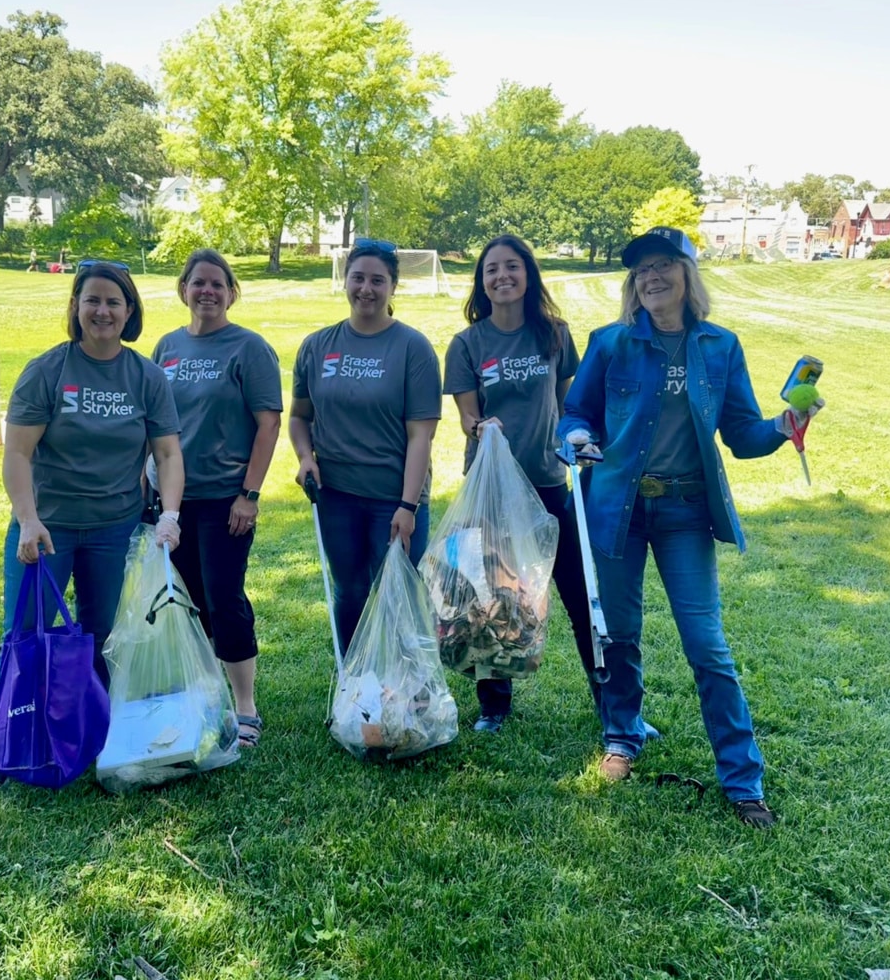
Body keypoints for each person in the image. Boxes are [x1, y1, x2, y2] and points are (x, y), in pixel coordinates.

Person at [558, 226, 824, 828]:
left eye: (664, 266)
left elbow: (742, 435)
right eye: (642, 269)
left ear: (687, 274)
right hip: (616, 508)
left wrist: (784, 426)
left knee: (707, 647)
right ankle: (622, 737)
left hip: (685, 513)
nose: (652, 277)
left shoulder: (719, 347)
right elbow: (575, 412)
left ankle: (742, 779)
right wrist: (575, 438)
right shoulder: (610, 343)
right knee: (619, 633)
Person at [0, 259, 184, 790]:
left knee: (102, 635)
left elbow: (168, 452)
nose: (103, 310)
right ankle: (5, 745)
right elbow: (18, 454)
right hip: (47, 530)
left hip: (114, 529)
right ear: (75, 307)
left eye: (114, 301)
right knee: (25, 634)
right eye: (92, 300)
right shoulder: (48, 371)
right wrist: (27, 520)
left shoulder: (145, 376)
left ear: (129, 310)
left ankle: (94, 735)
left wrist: (171, 515)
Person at [443, 234, 595, 734]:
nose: (502, 276)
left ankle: (610, 700)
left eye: (512, 267)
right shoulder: (468, 344)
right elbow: (467, 413)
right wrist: (479, 426)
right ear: (481, 281)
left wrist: (579, 437)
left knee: (581, 595)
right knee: (491, 601)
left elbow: (569, 404)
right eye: (492, 270)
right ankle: (494, 706)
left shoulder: (554, 334)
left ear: (528, 275)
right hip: (493, 494)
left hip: (550, 485)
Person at [151, 249, 282, 749]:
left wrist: (249, 494)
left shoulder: (249, 348)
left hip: (226, 499)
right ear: (183, 289)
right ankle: (201, 696)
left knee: (225, 599)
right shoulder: (167, 347)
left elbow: (268, 423)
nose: (206, 291)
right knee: (185, 602)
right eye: (198, 283)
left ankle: (245, 705)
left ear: (231, 293)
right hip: (172, 501)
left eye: (217, 284)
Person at [289, 239, 441, 653]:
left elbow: (421, 436)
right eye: (358, 278)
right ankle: (354, 685)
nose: (366, 289)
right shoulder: (317, 346)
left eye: (378, 280)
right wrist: (305, 458)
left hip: (393, 500)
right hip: (336, 496)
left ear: (394, 286)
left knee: (401, 598)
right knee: (350, 592)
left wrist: (408, 508)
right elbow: (300, 416)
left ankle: (406, 691)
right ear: (345, 281)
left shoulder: (414, 348)